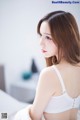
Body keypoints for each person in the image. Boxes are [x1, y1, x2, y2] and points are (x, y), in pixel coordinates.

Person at [15, 10, 80, 120]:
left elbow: (34, 117)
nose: (40, 43)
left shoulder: (50, 74)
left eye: (48, 37)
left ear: (65, 39)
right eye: (41, 35)